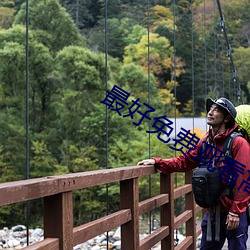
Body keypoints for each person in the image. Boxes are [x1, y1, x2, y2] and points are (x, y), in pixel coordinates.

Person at [137, 97, 250, 250]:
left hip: (233, 211)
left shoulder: (238, 143)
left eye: (216, 110)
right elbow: (185, 161)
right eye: (210, 109)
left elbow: (245, 179)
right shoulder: (205, 143)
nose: (210, 112)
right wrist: (158, 162)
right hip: (213, 211)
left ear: (227, 118)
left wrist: (236, 212)